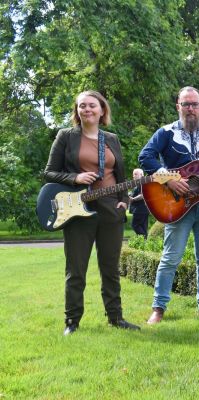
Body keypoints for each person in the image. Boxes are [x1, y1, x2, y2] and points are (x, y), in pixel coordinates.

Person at [43, 90, 140, 335]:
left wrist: (125, 201)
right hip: (77, 209)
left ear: (102, 110)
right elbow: (49, 173)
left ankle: (116, 318)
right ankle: (72, 322)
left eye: (92, 105)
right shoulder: (65, 136)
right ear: (77, 111)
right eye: (82, 106)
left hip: (110, 209)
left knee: (110, 268)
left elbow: (119, 175)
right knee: (76, 270)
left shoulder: (112, 139)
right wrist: (75, 177)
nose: (87, 110)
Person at [139, 86, 199, 323]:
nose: (190, 109)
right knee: (170, 257)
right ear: (178, 106)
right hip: (175, 203)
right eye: (186, 104)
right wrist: (168, 179)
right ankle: (158, 308)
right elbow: (145, 157)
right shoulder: (165, 133)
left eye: (195, 104)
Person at [129, 168, 150, 239]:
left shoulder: (142, 183)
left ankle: (143, 239)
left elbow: (143, 195)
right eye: (133, 174)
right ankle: (144, 242)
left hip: (140, 209)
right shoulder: (139, 183)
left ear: (141, 175)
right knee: (143, 227)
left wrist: (133, 199)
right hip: (143, 209)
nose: (133, 176)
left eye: (135, 174)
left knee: (135, 225)